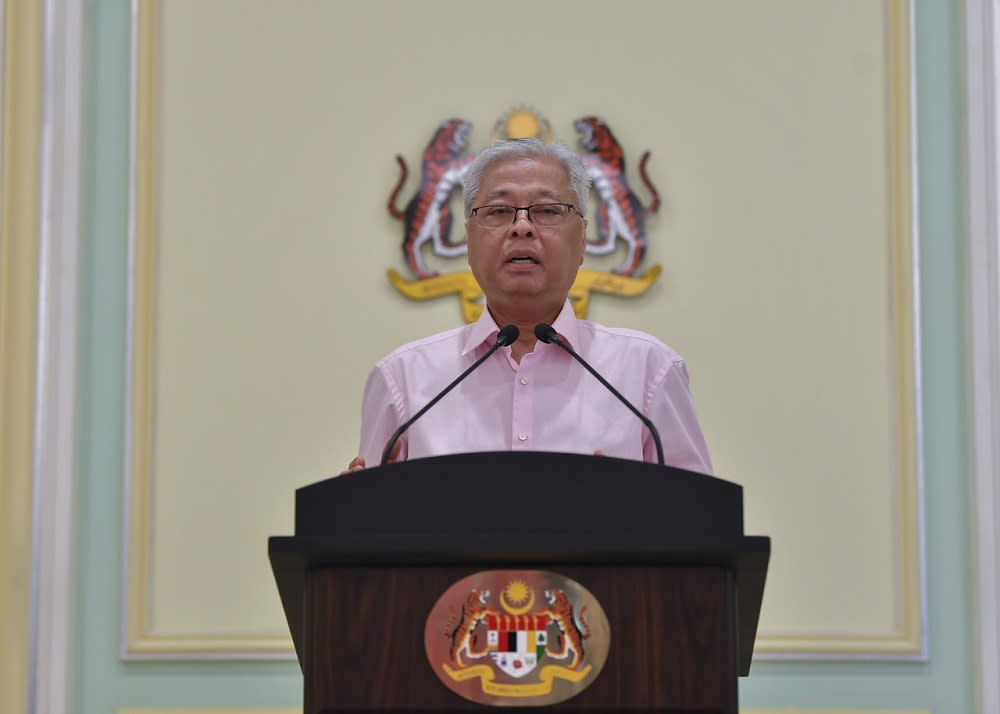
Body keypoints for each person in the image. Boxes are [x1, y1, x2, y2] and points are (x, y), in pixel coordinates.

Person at [345, 138, 712, 474]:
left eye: (548, 211)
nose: (522, 228)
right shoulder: (404, 380)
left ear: (582, 239)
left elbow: (702, 524)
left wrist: (633, 508)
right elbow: (368, 532)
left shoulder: (648, 370)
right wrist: (357, 516)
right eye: (498, 211)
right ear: (469, 240)